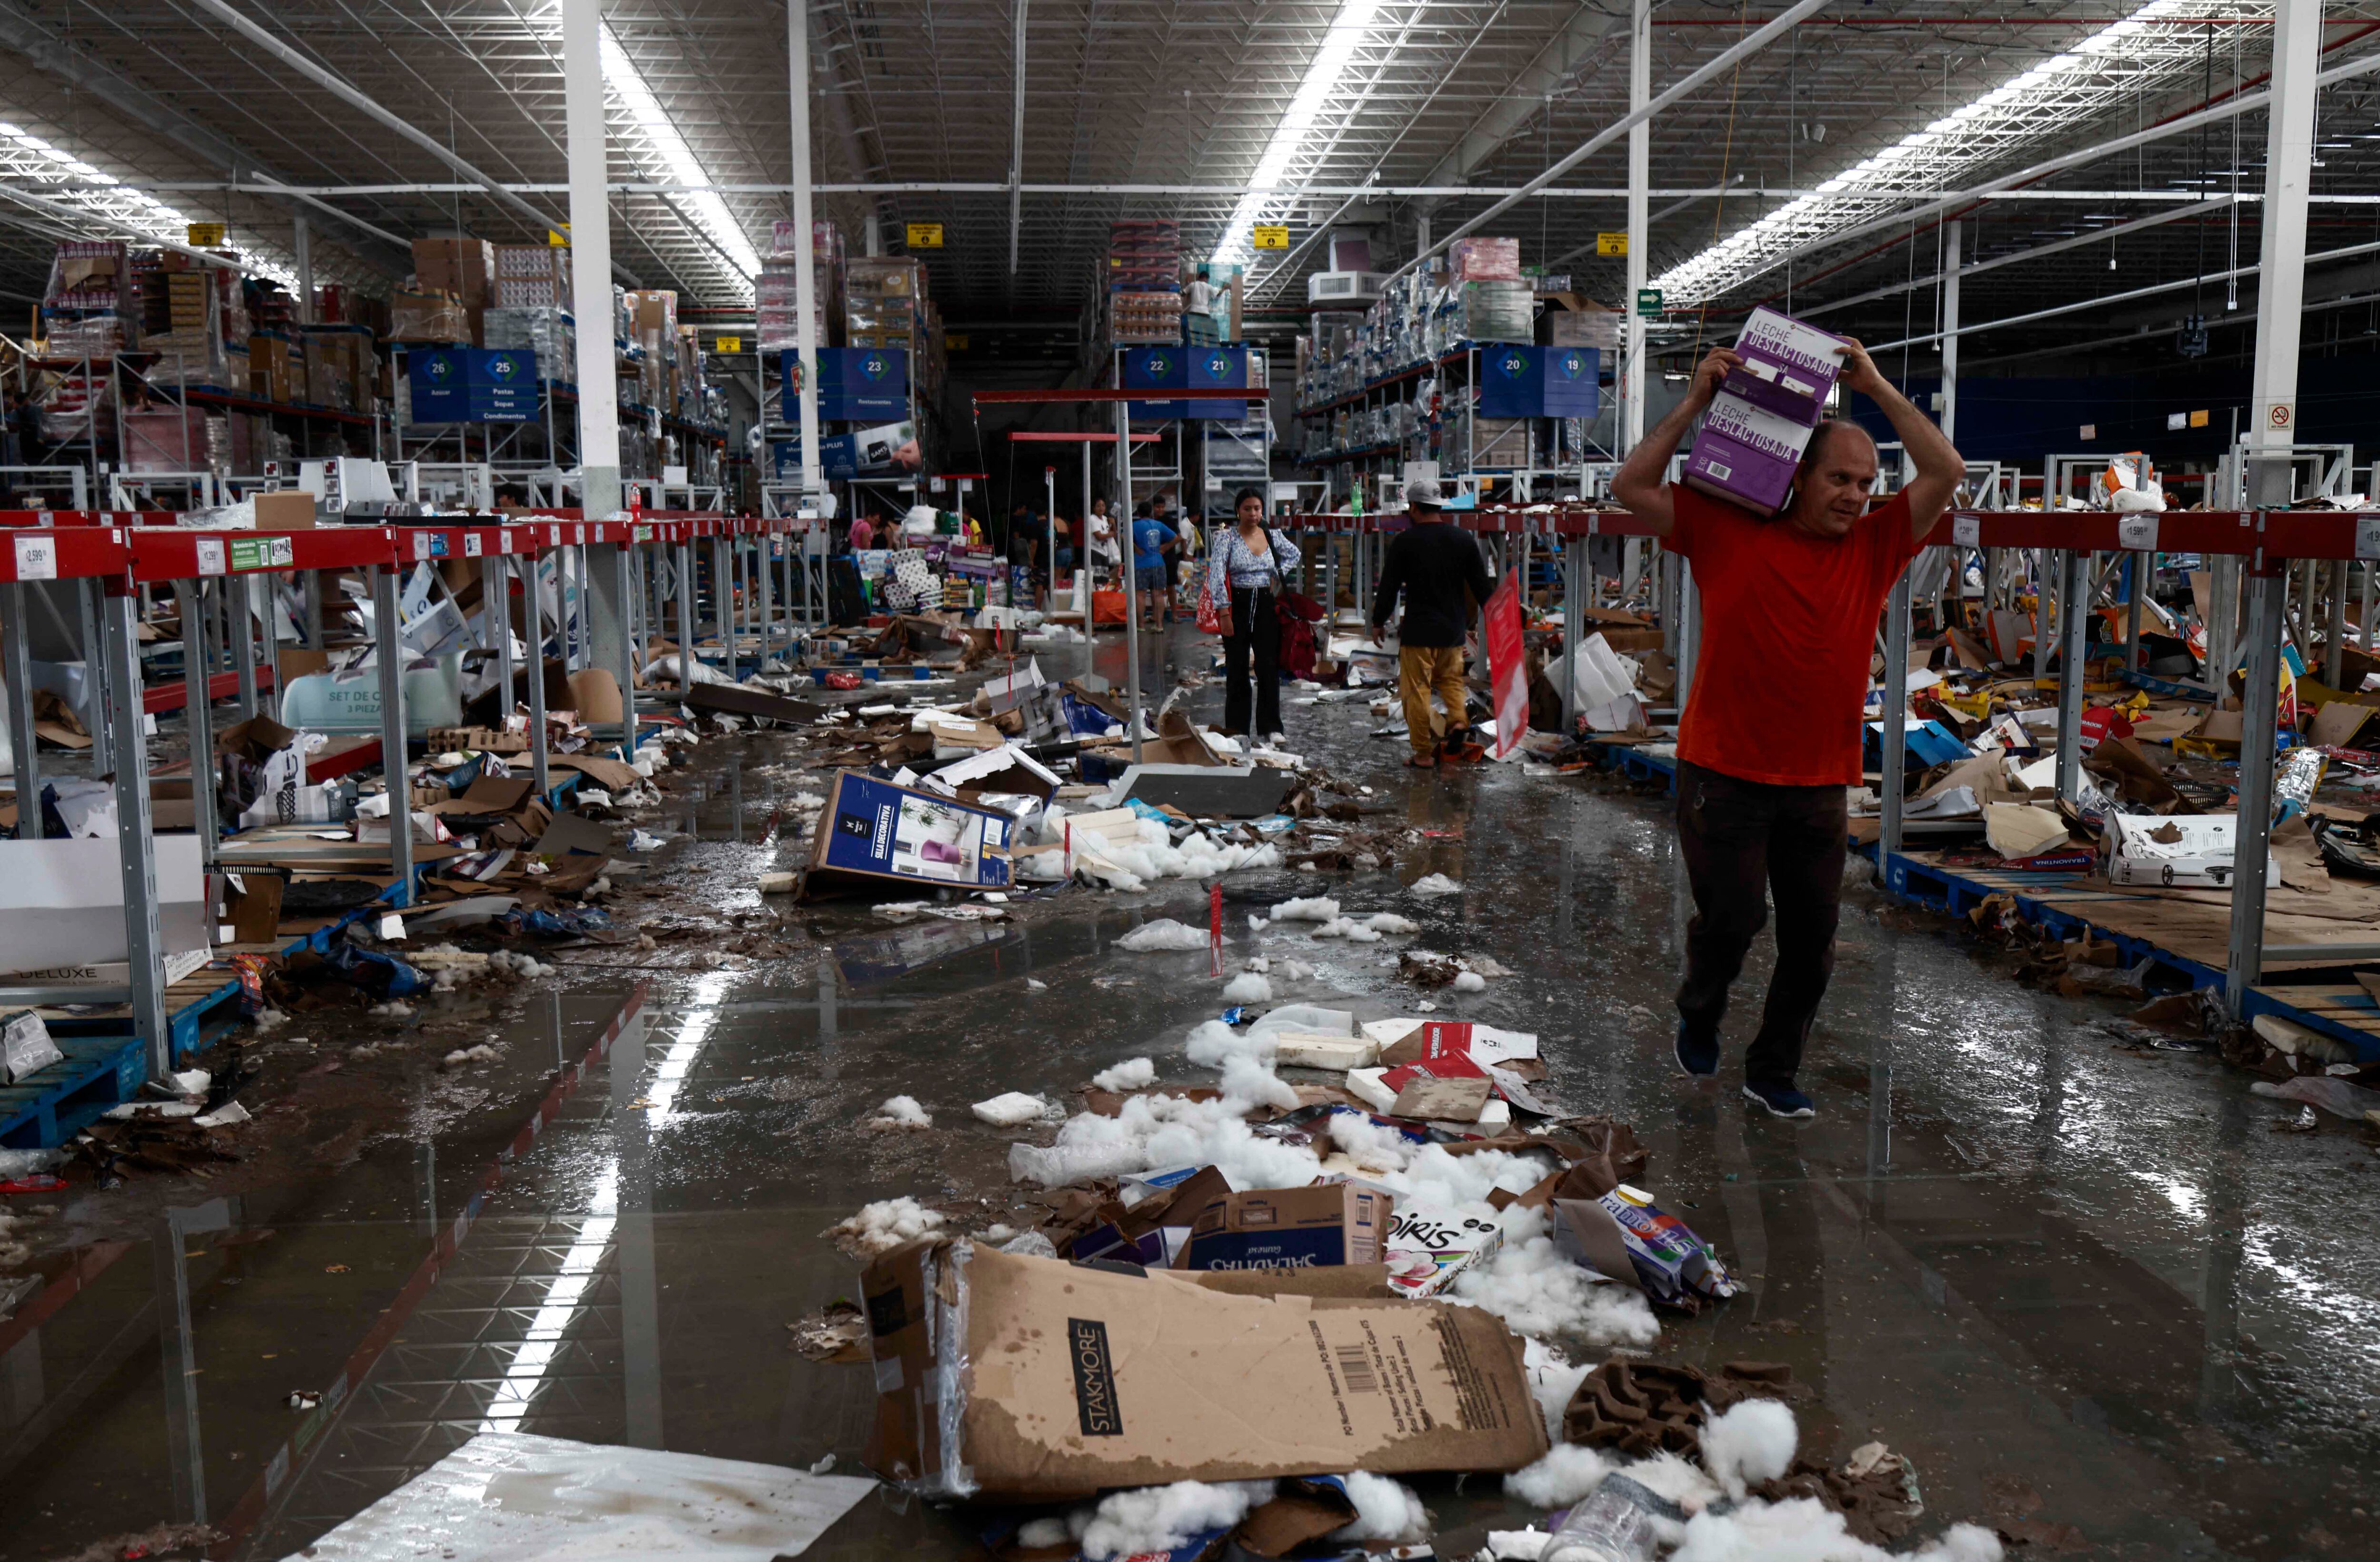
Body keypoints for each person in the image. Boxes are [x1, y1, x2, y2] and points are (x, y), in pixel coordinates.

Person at [1611, 336, 1962, 1121]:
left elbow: (1945, 471)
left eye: (1867, 484)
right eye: (1839, 478)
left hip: (1818, 784)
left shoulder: (1876, 548)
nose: (1856, 496)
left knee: (1813, 944)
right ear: (1796, 475)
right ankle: (1700, 1010)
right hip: (1724, 774)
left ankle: (1772, 1069)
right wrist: (1695, 402)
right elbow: (1631, 484)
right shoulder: (1726, 526)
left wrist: (1872, 384)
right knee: (1734, 922)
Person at [1370, 478, 1495, 770]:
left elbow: (1389, 587)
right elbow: (1482, 586)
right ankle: (1458, 722)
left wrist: (1378, 621)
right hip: (1453, 631)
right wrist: (1493, 616)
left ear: (1413, 507)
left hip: (1418, 631)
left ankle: (1424, 754)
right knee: (1452, 683)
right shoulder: (1463, 539)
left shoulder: (1405, 542)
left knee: (1416, 691)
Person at [1209, 485, 1300, 741]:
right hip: (1236, 603)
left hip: (1265, 601)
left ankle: (1271, 727)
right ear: (1238, 511)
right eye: (1247, 509)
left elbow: (1294, 554)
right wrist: (1224, 613)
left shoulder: (1271, 534)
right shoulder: (1226, 538)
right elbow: (1216, 576)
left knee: (1268, 666)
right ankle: (1237, 728)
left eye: (1257, 508)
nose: (1253, 514)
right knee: (1237, 667)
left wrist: (1274, 574)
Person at [1130, 501, 1175, 630]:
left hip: (1141, 564)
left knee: (1140, 595)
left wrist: (1136, 549)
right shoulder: (1159, 524)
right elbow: (1176, 537)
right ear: (1151, 512)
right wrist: (1164, 548)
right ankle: (1160, 625)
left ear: (1138, 513)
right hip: (1159, 563)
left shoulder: (1134, 525)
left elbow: (1125, 538)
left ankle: (1141, 625)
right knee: (1159, 595)